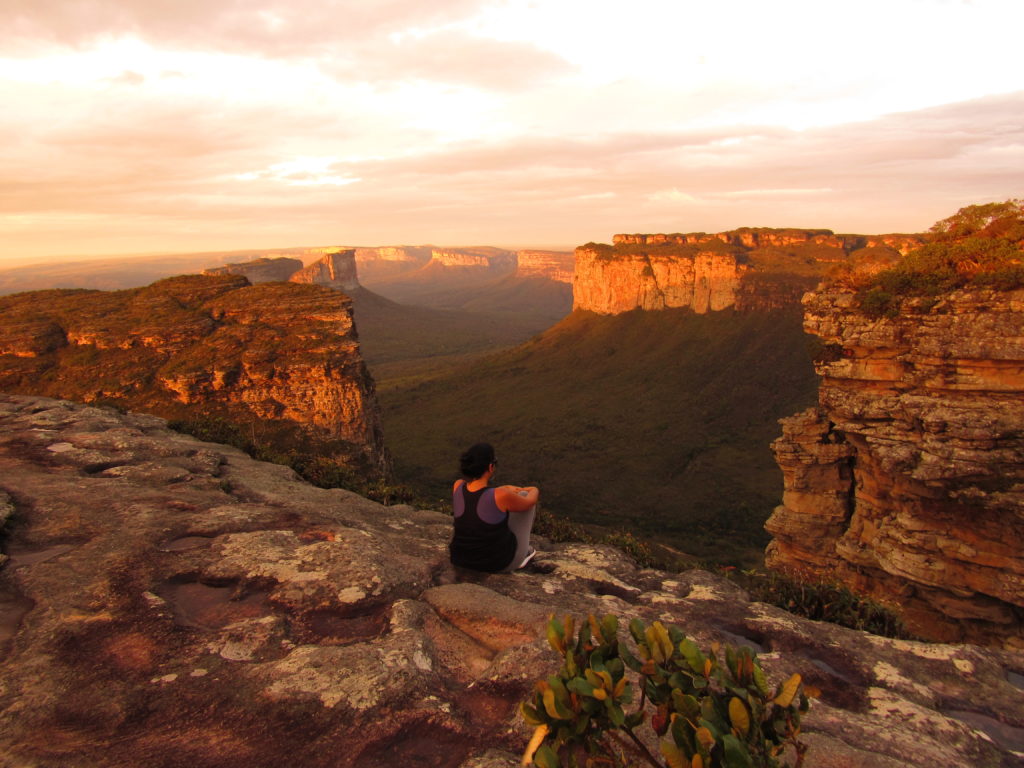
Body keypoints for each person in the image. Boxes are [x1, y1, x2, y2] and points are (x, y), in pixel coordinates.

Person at [449, 442, 538, 572]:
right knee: (525, 496)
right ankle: (523, 554)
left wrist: (505, 488)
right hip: (495, 564)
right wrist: (533, 489)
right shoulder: (501, 495)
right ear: (491, 467)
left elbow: (480, 496)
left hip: (460, 560)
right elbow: (529, 502)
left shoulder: (457, 486)